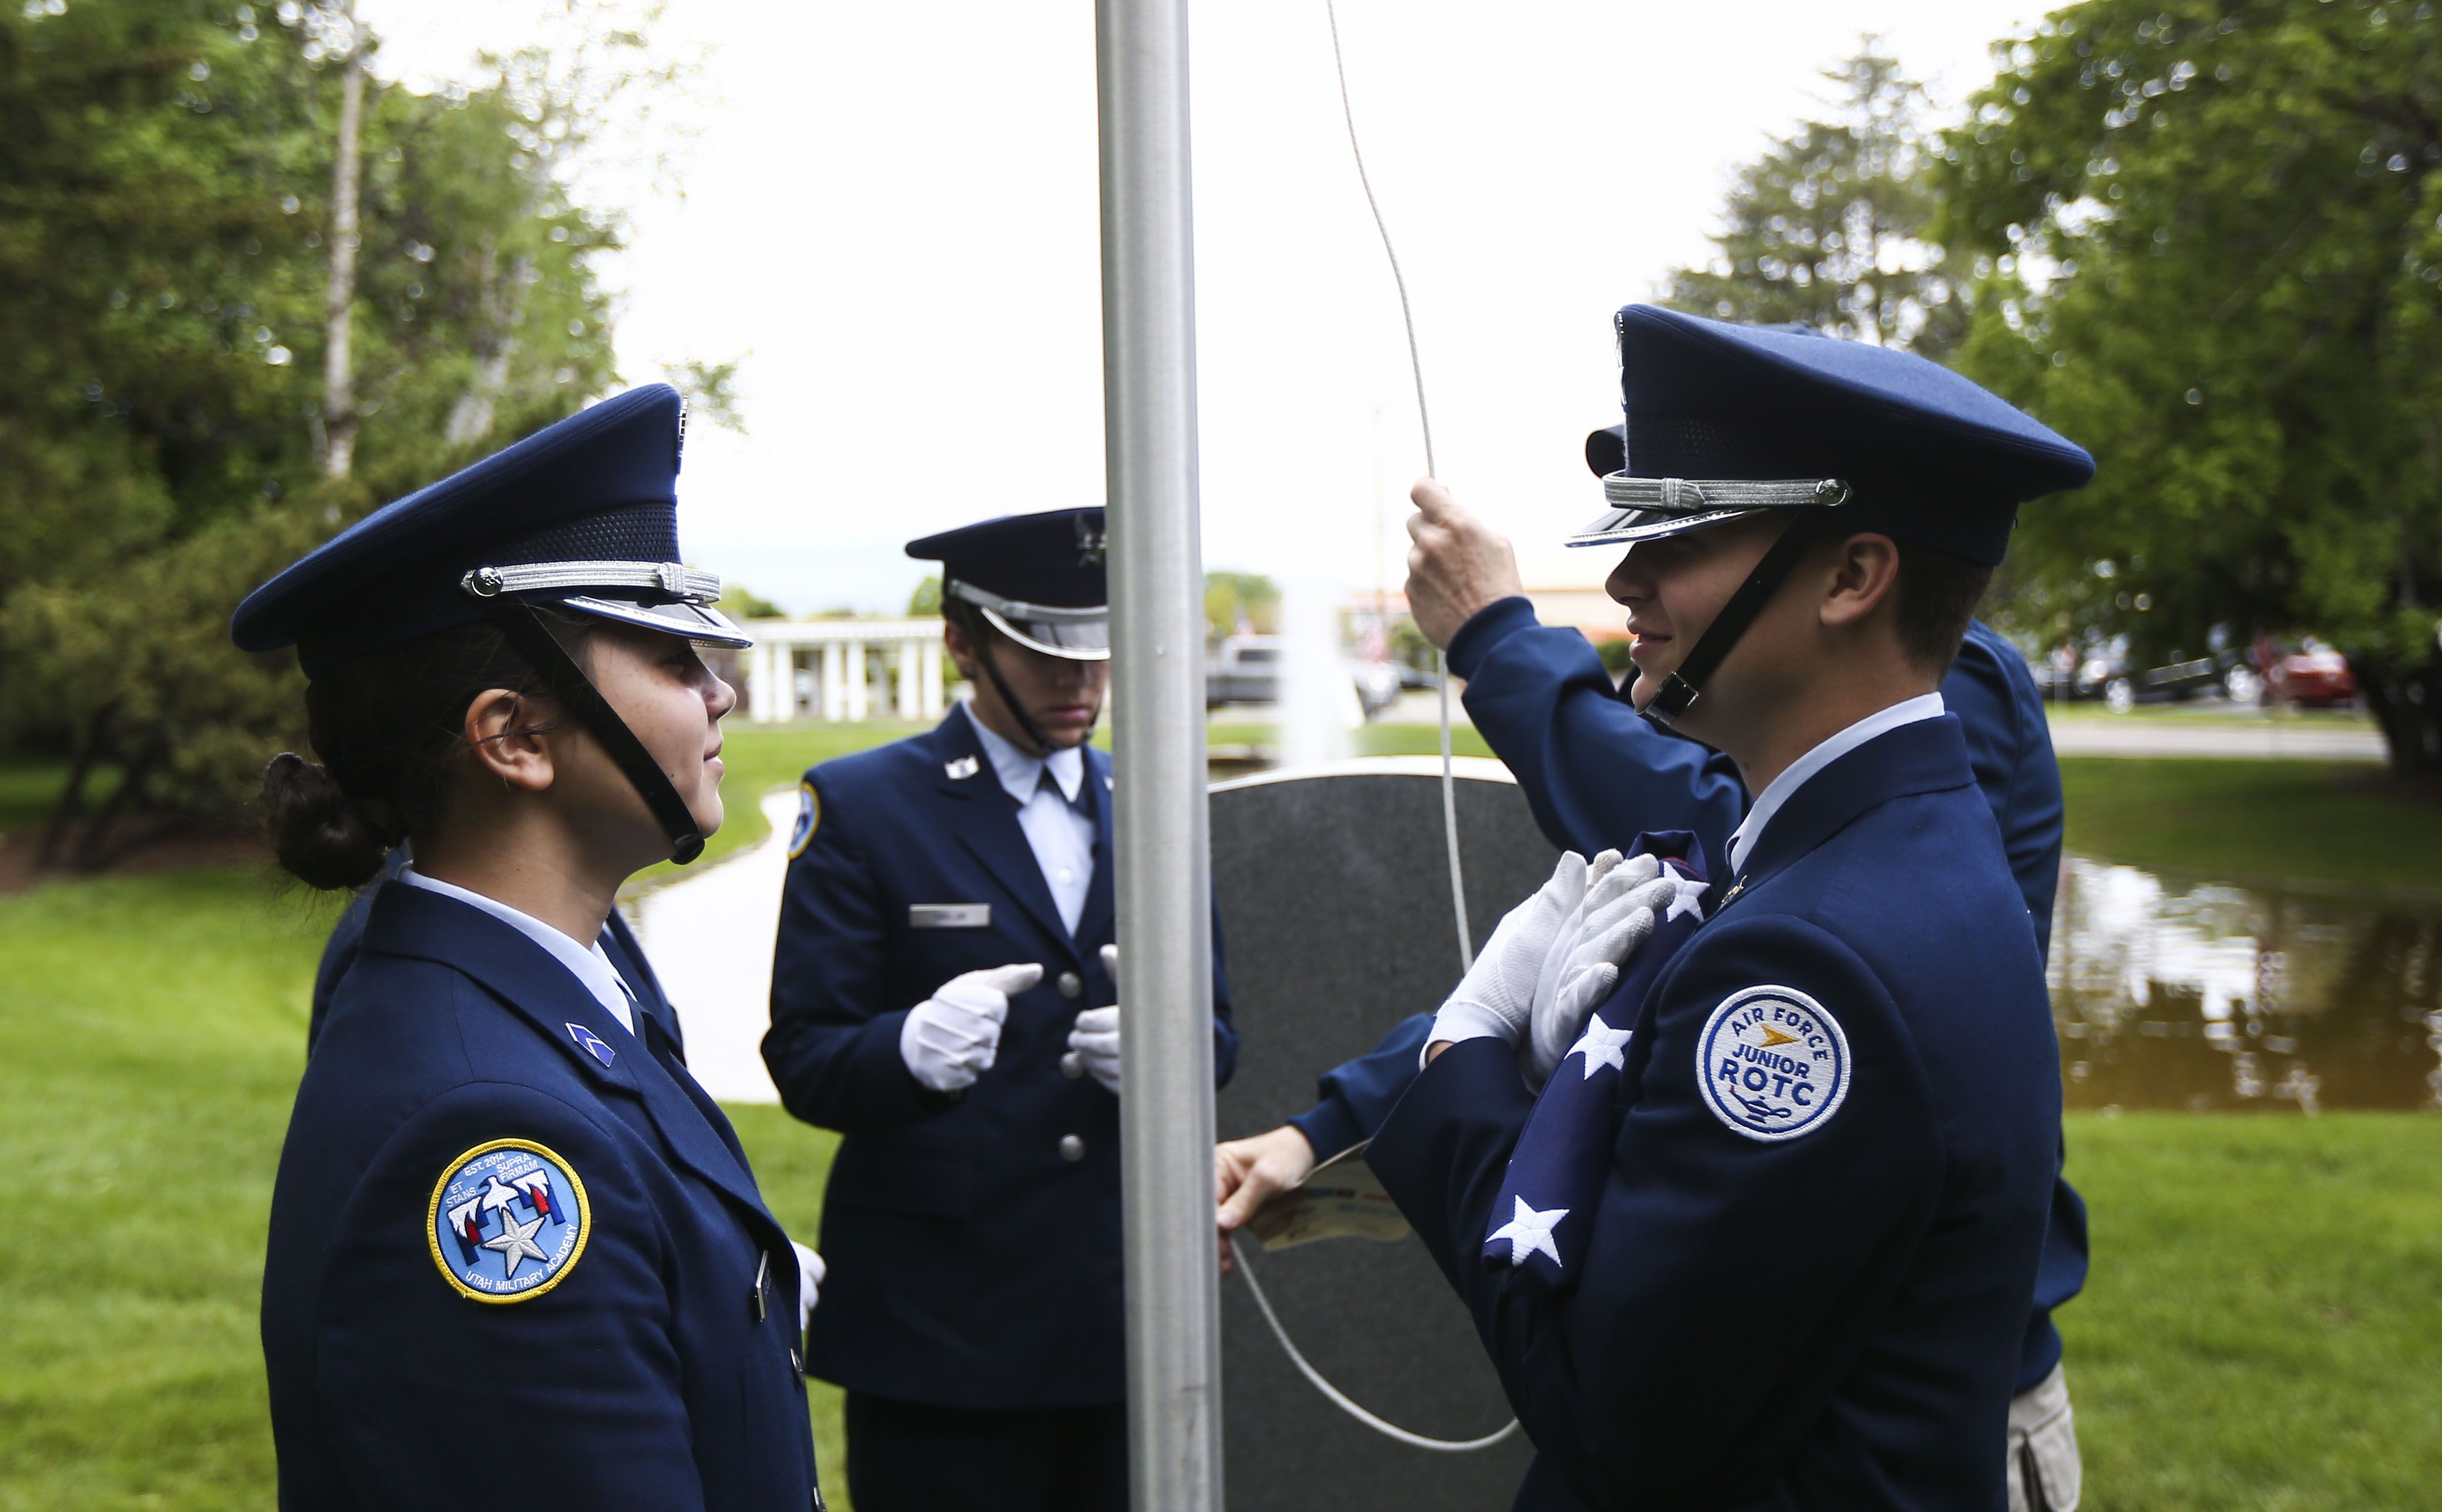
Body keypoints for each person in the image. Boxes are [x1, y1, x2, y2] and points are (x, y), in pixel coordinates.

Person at [1216, 381, 2086, 1512]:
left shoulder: (1814, 953)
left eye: (1682, 537)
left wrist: (1466, 1051)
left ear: (1851, 577)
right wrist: (1351, 1115)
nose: (1626, 579)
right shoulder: (1852, 834)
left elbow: (1615, 1421)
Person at [237, 386, 825, 1511]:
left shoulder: (557, 960)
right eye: (669, 657)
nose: (724, 693)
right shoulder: (491, 1135)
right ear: (511, 738)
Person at [763, 507, 1237, 1512]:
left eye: (1097, 654)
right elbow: (805, 1056)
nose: (1081, 683)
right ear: (961, 643)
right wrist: (907, 1053)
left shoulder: (1155, 800)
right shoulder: (863, 807)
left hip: (1126, 1313)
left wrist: (1175, 1052)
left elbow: (1220, 1030)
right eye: (1044, 653)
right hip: (945, 1331)